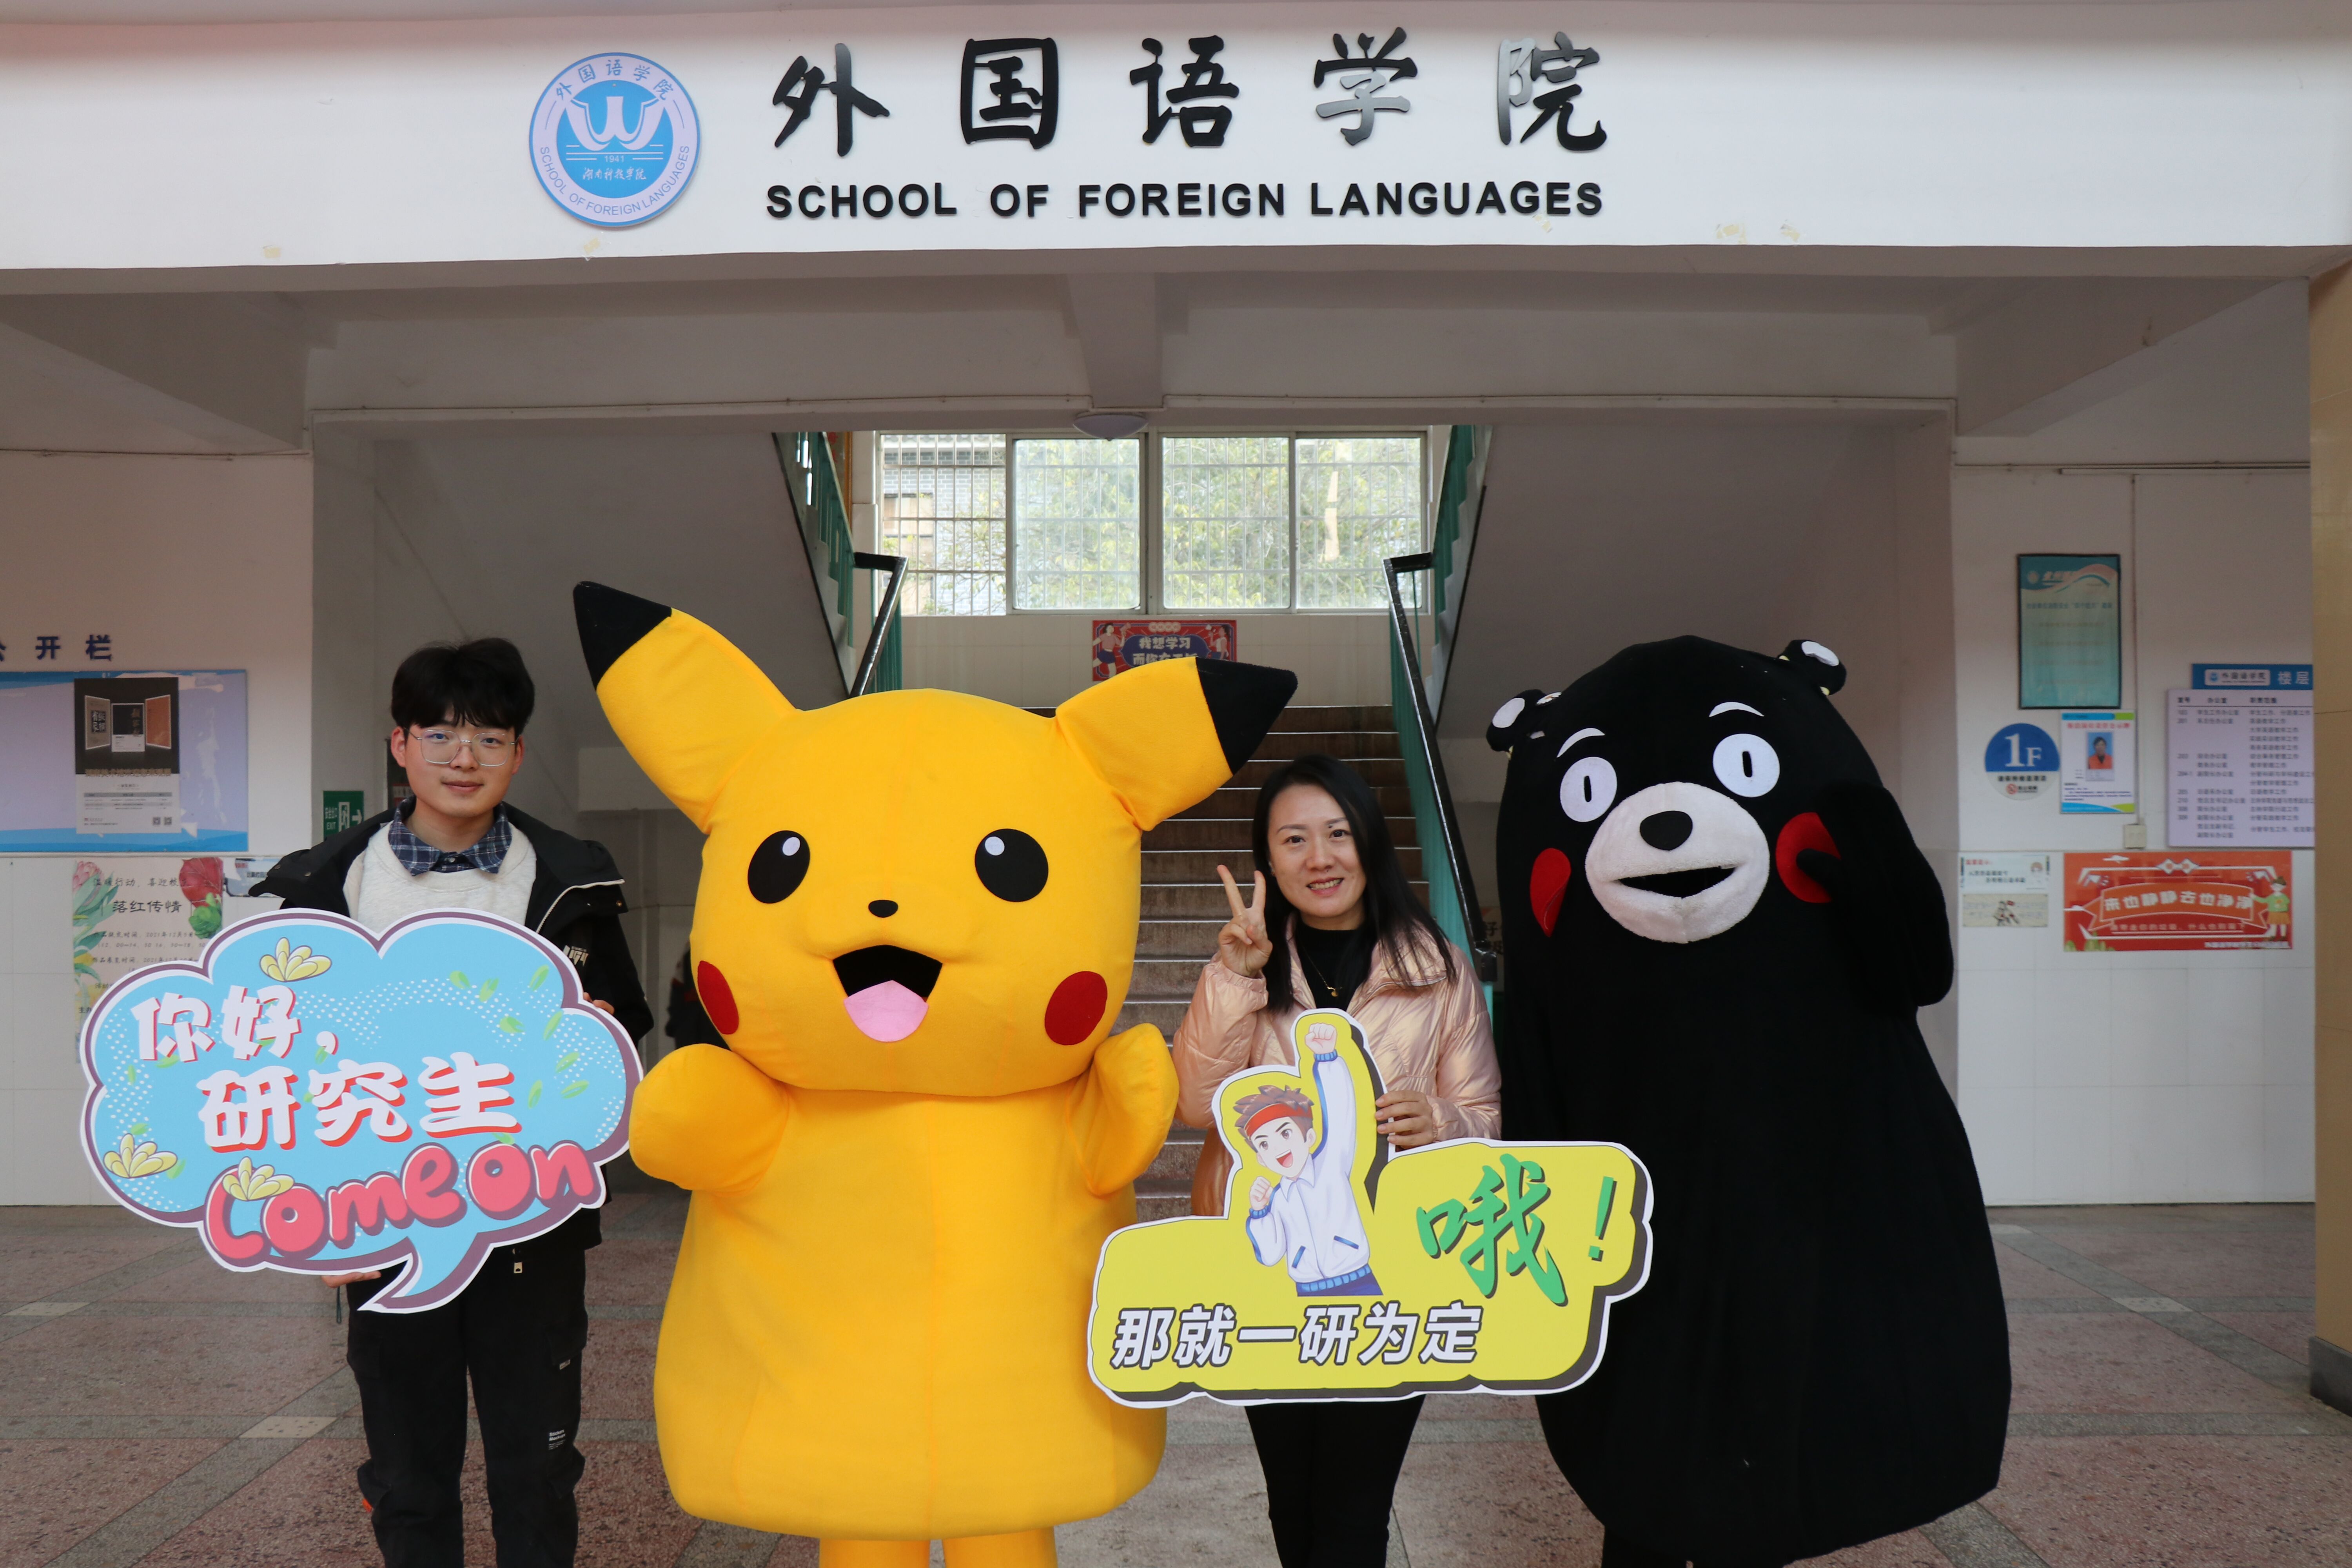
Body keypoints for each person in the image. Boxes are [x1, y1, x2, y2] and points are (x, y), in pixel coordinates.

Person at [257, 637, 651, 1568]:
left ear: (518, 752)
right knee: (407, 1470)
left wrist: (594, 1037)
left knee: (538, 1466)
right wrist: (315, 1214)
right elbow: (284, 1055)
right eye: (440, 733)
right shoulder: (329, 883)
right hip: (385, 1217)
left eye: (489, 737)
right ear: (400, 744)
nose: (463, 757)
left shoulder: (570, 879)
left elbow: (625, 1023)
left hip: (533, 1216)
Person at [1172, 752, 1500, 1568]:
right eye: (1294, 840)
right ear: (1268, 859)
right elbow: (1195, 1104)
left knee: (1356, 1506)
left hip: (1395, 1273)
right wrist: (1234, 978)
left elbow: (1487, 1119)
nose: (1319, 858)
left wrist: (1443, 1119)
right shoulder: (1248, 967)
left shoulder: (1437, 968)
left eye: (1338, 833)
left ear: (1370, 842)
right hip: (1264, 1280)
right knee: (1293, 1498)